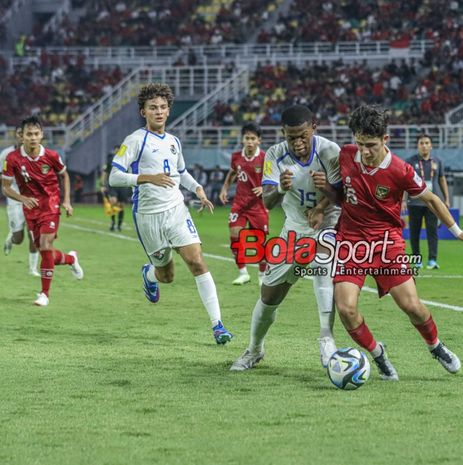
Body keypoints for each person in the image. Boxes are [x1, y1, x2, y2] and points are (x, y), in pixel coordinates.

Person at [331, 105, 463, 380]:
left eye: (371, 145)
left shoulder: (401, 169)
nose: (364, 151)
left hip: (387, 242)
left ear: (385, 140)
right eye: (360, 143)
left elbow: (432, 200)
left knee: (412, 306)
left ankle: (436, 346)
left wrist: (458, 232)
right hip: (350, 241)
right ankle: (379, 355)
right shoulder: (345, 155)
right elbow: (336, 188)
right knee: (346, 308)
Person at [108, 83, 233, 345]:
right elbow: (115, 177)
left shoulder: (174, 141)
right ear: (143, 111)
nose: (159, 112)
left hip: (176, 210)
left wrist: (198, 189)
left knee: (197, 261)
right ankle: (149, 274)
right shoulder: (134, 140)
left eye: (163, 107)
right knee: (167, 276)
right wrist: (146, 178)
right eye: (153, 107)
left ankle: (218, 325)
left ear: (169, 110)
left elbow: (180, 173)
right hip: (148, 216)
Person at [229, 104, 341, 371]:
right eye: (291, 137)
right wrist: (280, 187)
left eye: (303, 135)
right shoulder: (275, 155)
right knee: (269, 296)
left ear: (313, 127)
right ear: (283, 133)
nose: (298, 142)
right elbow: (267, 203)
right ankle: (254, 349)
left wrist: (323, 201)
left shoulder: (329, 151)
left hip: (326, 223)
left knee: (323, 265)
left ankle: (327, 339)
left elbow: (342, 196)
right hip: (293, 229)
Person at [2, 116, 83, 306]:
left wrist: (67, 201)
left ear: (42, 135)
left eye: (36, 134)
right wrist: (22, 198)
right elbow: (5, 187)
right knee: (45, 252)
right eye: (29, 134)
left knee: (45, 245)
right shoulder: (12, 158)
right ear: (22, 136)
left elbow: (64, 175)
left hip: (50, 204)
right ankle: (71, 258)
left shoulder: (52, 156)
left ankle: (44, 294)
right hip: (30, 209)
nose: (32, 137)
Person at [218, 123, 268, 285]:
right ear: (242, 139)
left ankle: (262, 275)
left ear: (259, 140)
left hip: (258, 206)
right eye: (247, 138)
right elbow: (232, 172)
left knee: (259, 242)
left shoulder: (265, 158)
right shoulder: (236, 156)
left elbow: (274, 178)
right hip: (239, 204)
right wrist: (225, 188)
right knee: (234, 234)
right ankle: (243, 272)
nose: (250, 141)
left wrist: (264, 187)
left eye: (253, 138)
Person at [404, 134, 449, 270]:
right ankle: (417, 260)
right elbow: (404, 181)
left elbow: (442, 179)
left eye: (426, 143)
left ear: (431, 145)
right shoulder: (410, 161)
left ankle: (432, 260)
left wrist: (446, 199)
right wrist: (403, 200)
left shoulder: (438, 162)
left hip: (432, 202)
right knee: (414, 232)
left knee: (432, 231)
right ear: (418, 145)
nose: (424, 145)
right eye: (421, 143)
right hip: (415, 202)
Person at [0, 125, 40, 276]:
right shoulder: (6, 154)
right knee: (19, 239)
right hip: (15, 199)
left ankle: (32, 269)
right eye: (19, 133)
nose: (22, 136)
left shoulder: (37, 152)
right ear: (18, 135)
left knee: (34, 234)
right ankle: (12, 236)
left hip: (32, 199)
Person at [100, 145, 131, 231]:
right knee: (113, 202)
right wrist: (102, 184)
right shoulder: (111, 159)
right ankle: (113, 222)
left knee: (121, 205)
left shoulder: (127, 159)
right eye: (117, 150)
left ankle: (119, 225)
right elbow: (105, 172)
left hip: (123, 185)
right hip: (113, 184)